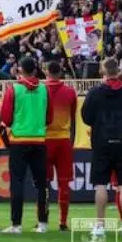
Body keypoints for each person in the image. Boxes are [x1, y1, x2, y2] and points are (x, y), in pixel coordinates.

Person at [0, 57, 54, 234]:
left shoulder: (13, 89)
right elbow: (49, 118)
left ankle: (16, 224)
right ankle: (43, 223)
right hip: (38, 140)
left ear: (21, 70)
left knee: (17, 182)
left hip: (18, 141)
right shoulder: (44, 89)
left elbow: (6, 119)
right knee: (42, 184)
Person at [82, 58, 122, 236]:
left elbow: (86, 117)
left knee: (100, 185)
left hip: (102, 142)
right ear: (118, 70)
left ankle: (100, 225)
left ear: (103, 71)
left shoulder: (95, 92)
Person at [44, 61, 77, 231]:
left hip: (45, 140)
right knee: (64, 183)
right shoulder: (70, 92)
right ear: (61, 72)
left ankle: (42, 220)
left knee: (43, 182)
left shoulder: (41, 90)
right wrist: (71, 141)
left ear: (46, 72)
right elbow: (73, 120)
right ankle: (63, 222)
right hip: (64, 140)